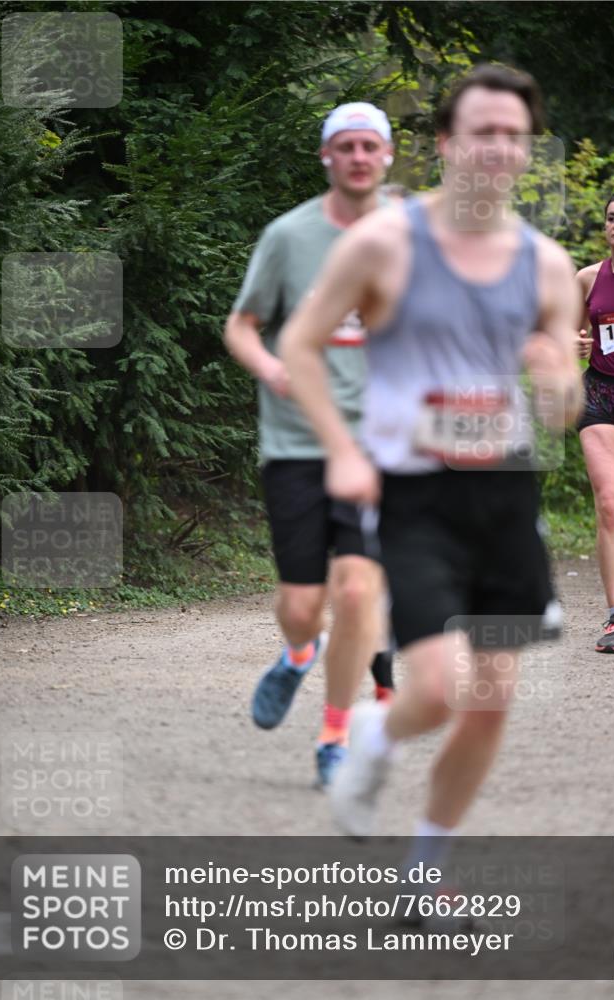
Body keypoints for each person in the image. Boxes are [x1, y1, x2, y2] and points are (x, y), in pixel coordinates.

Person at [280, 64, 583, 849]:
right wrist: (342, 451)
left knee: (489, 702)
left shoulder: (547, 264)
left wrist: (556, 382)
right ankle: (373, 738)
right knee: (443, 689)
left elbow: (565, 402)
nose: (498, 149)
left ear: (527, 151)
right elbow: (301, 345)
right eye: (482, 132)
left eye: (513, 136)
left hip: (506, 496)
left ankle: (422, 869)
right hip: (413, 496)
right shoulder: (386, 241)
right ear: (447, 144)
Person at [224, 102, 396, 788]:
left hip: (379, 444)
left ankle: (333, 736)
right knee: (302, 604)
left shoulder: (410, 238)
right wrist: (269, 367)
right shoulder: (288, 237)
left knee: (357, 588)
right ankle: (298, 655)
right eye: (345, 146)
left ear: (387, 155)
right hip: (296, 439)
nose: (358, 156)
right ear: (327, 156)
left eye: (369, 146)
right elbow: (241, 324)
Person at [576, 191, 614, 653]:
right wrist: (574, 345)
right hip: (599, 394)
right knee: (611, 505)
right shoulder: (586, 278)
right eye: (612, 218)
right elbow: (575, 332)